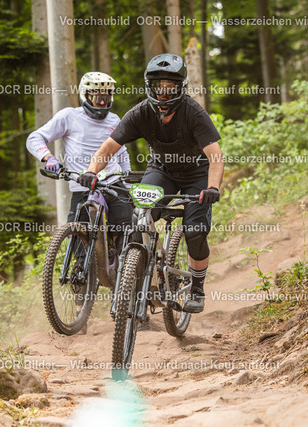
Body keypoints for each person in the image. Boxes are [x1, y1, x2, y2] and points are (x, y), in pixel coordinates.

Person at [78, 54, 224, 314]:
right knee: (140, 218)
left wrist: (212, 188)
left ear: (181, 87)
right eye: (159, 87)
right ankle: (141, 281)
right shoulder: (140, 113)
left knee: (195, 231)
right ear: (150, 87)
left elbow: (215, 156)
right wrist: (91, 171)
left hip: (196, 174)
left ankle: (197, 288)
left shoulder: (194, 113)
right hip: (162, 171)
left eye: (171, 88)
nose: (164, 93)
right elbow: (108, 148)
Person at [26, 72, 133, 331]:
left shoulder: (116, 120)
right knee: (79, 245)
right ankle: (79, 315)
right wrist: (49, 159)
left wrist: (128, 183)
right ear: (85, 94)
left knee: (127, 237)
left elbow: (122, 154)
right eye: (97, 95)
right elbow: (35, 137)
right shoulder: (69, 116)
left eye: (106, 95)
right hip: (82, 187)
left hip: (114, 185)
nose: (102, 100)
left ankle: (131, 305)